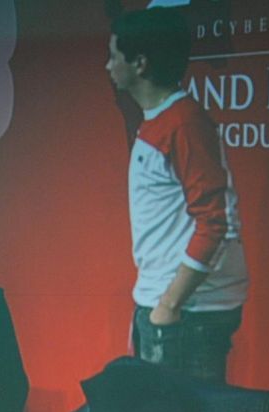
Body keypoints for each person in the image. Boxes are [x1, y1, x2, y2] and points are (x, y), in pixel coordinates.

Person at [107, 7, 249, 383]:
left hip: (188, 315)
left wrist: (169, 305)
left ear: (140, 63)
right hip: (170, 308)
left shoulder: (184, 124)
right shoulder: (162, 122)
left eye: (114, 55)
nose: (108, 66)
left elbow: (216, 222)